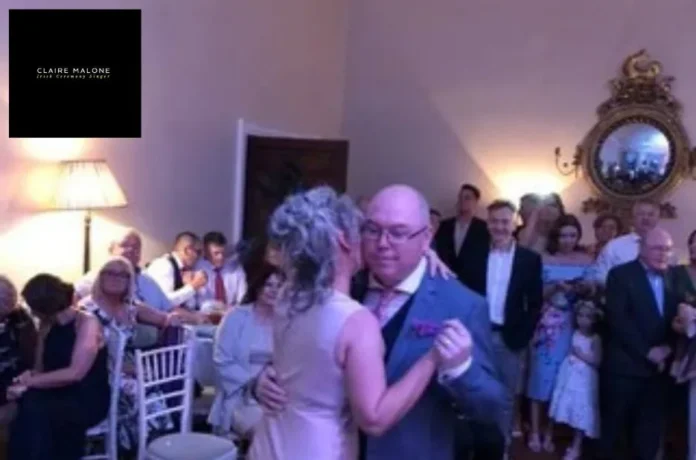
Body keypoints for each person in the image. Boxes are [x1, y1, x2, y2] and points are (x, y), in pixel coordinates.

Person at [253, 184, 507, 460]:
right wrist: (265, 380)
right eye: (372, 230)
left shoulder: (461, 305)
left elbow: (493, 408)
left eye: (398, 233)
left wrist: (460, 369)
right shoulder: (336, 287)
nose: (383, 243)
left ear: (426, 237)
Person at [462, 199, 542, 459]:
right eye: (494, 221)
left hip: (510, 339)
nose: (499, 227)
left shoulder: (529, 259)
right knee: (474, 393)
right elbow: (463, 294)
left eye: (505, 221)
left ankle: (501, 450)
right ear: (487, 224)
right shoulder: (473, 254)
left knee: (506, 397)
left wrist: (523, 335)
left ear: (515, 223)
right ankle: (476, 449)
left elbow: (535, 303)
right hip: (478, 336)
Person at [8, 274, 110, 460]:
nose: (31, 312)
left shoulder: (87, 323)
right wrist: (25, 380)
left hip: (86, 396)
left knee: (37, 411)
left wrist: (31, 382)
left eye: (32, 307)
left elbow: (75, 373)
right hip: (57, 389)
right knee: (28, 402)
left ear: (43, 307)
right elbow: (40, 369)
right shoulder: (47, 325)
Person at [598, 227, 678, 460]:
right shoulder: (621, 275)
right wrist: (646, 352)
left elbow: (677, 319)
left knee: (648, 438)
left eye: (667, 249)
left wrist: (668, 347)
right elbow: (618, 319)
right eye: (657, 248)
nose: (663, 254)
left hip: (659, 372)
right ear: (642, 248)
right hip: (624, 369)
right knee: (614, 436)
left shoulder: (674, 277)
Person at [526, 214, 593, 453]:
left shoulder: (586, 260)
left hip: (573, 325)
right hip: (546, 326)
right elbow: (533, 295)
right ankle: (534, 430)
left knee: (562, 381)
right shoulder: (544, 259)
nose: (568, 240)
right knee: (539, 378)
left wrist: (582, 288)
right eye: (563, 235)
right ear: (556, 236)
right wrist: (554, 287)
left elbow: (592, 294)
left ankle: (549, 432)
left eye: (572, 235)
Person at [208, 263, 280, 438]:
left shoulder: (286, 321)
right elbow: (221, 361)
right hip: (240, 394)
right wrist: (254, 384)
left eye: (279, 286)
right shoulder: (236, 317)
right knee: (270, 434)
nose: (274, 290)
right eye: (269, 285)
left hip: (275, 395)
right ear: (258, 286)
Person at [548, 300, 602, 460]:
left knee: (581, 410)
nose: (583, 320)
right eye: (580, 315)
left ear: (594, 319)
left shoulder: (595, 338)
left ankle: (576, 446)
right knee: (565, 404)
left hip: (585, 379)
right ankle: (551, 435)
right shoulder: (574, 332)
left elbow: (597, 360)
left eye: (587, 317)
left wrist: (581, 355)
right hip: (569, 375)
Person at [433, 183, 490, 293]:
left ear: (476, 202)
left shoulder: (485, 228)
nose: (462, 201)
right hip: (446, 283)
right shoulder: (444, 225)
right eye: (460, 197)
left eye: (467, 198)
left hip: (472, 287)